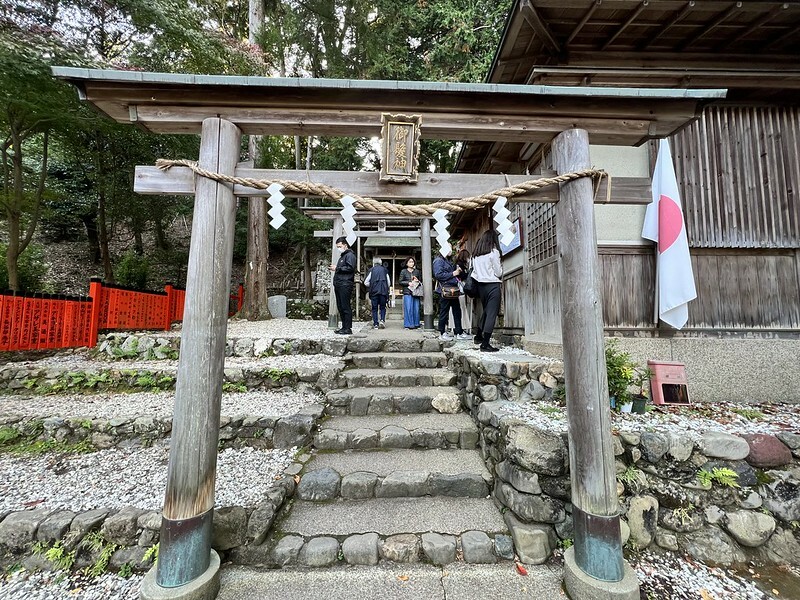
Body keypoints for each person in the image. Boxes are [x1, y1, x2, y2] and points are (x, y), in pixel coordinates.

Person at [471, 229, 503, 352]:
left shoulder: (476, 255)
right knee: (491, 314)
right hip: (493, 285)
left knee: (486, 312)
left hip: (481, 286)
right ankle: (485, 344)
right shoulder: (493, 252)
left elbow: (474, 273)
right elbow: (498, 272)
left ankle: (479, 336)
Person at [433, 247, 470, 342]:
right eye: (449, 248)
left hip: (453, 288)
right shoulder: (438, 261)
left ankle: (459, 332)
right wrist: (453, 273)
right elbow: (438, 275)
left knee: (457, 311)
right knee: (444, 311)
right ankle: (442, 332)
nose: (451, 250)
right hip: (445, 289)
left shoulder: (447, 260)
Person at [329, 236, 356, 334]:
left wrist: (337, 268)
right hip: (339, 283)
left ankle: (348, 328)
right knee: (340, 306)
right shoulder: (343, 256)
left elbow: (350, 268)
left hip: (345, 283)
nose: (338, 248)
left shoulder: (350, 255)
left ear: (345, 245)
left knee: (345, 306)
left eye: (339, 246)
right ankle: (344, 327)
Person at [363, 256, 391, 329]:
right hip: (383, 292)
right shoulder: (385, 270)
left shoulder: (371, 270)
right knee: (382, 307)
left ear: (373, 262)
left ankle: (375, 324)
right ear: (381, 262)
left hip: (374, 292)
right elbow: (388, 283)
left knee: (374, 308)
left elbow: (366, 282)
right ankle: (382, 320)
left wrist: (372, 284)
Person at [398, 257, 422, 329]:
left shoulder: (417, 271)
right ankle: (408, 325)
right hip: (407, 292)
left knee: (416, 308)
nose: (411, 263)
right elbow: (400, 281)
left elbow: (421, 281)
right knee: (408, 308)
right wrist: (408, 283)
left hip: (416, 292)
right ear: (407, 263)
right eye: (410, 262)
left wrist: (417, 280)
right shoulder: (403, 271)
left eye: (412, 262)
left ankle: (416, 324)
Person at [455, 244, 472, 334]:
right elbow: (461, 276)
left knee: (460, 307)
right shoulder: (460, 266)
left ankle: (459, 327)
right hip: (460, 288)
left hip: (458, 288)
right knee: (461, 307)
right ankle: (462, 327)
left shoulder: (458, 264)